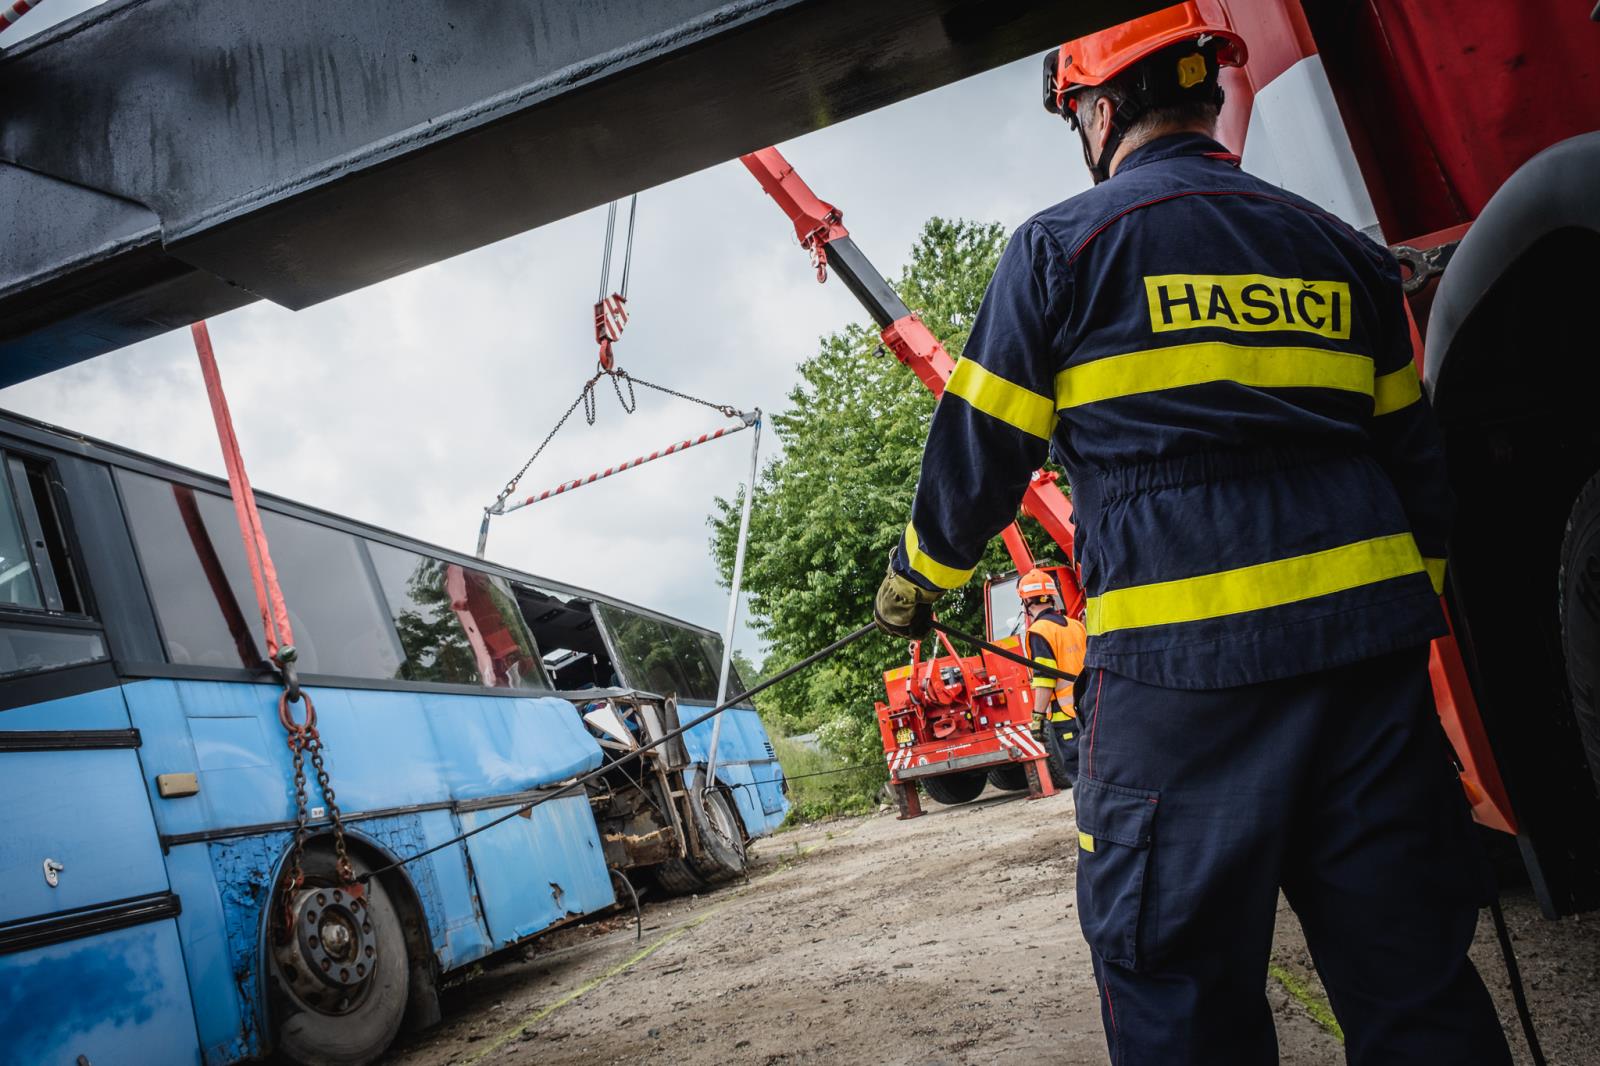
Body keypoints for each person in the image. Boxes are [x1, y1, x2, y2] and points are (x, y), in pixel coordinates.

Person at [870, 3, 1513, 1063]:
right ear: (1206, 91)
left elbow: (977, 454)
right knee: (1414, 987)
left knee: (1179, 991)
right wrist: (1393, 617)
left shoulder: (1060, 250)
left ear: (1101, 107)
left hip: (1180, 693)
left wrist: (917, 577)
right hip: (1367, 685)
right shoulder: (1341, 255)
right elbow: (1419, 470)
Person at [1017, 567, 1087, 786]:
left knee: (1079, 776)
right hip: (1090, 708)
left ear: (1027, 602)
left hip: (1066, 717)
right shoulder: (1075, 625)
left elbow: (1045, 680)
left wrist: (1037, 718)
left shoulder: (1039, 631)